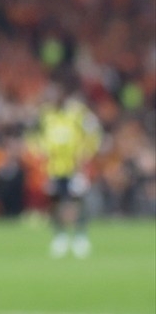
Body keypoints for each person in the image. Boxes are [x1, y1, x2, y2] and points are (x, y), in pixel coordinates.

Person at [27, 90, 102, 258]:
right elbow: (32, 135)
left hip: (75, 166)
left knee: (77, 201)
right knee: (55, 201)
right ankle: (59, 236)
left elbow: (94, 132)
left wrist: (86, 152)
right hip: (53, 167)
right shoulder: (46, 115)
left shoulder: (77, 114)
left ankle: (80, 236)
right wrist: (38, 152)